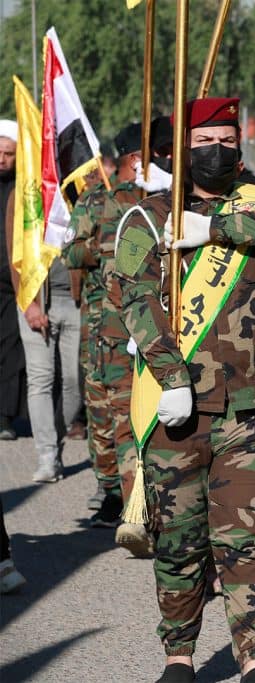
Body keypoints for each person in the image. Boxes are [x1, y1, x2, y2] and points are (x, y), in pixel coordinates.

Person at [113, 96, 255, 683]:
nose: (216, 152)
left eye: (226, 141)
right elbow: (134, 298)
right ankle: (179, 655)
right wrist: (171, 376)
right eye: (203, 143)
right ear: (179, 152)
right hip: (176, 410)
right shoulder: (148, 217)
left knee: (245, 541)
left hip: (252, 408)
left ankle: (254, 659)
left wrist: (214, 228)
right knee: (179, 541)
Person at [64, 122, 152, 543]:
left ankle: (142, 495)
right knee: (102, 411)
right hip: (103, 326)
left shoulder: (159, 199)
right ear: (134, 158)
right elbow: (71, 252)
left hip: (147, 323)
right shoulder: (96, 200)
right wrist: (103, 246)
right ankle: (111, 491)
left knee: (134, 412)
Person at [4, 130, 82, 485]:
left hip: (75, 302)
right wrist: (29, 303)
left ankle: (58, 439)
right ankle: (47, 456)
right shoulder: (23, 197)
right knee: (41, 378)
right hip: (37, 300)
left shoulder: (78, 193)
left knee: (74, 382)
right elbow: (15, 255)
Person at [0, 120, 25, 442]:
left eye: (8, 153)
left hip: (10, 284)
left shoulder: (24, 188)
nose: (2, 159)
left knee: (8, 349)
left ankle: (4, 416)